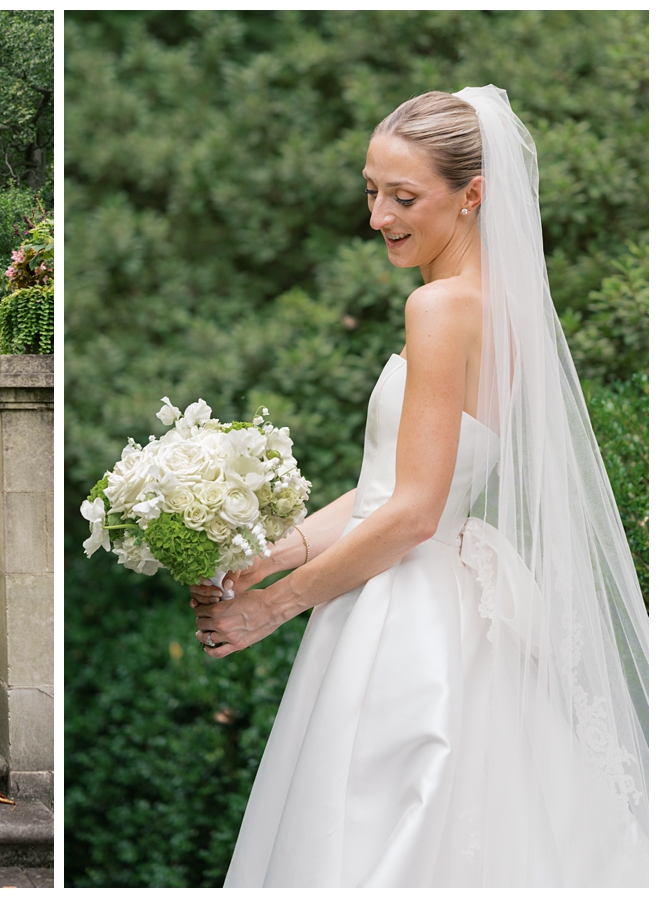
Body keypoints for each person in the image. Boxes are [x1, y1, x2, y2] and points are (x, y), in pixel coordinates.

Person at [189, 87, 648, 887]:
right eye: (371, 191)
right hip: (445, 594)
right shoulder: (503, 310)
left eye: (404, 196)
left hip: (406, 613)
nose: (378, 216)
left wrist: (272, 605)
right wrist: (266, 555)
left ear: (473, 194)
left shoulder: (438, 308)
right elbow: (395, 489)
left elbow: (410, 515)